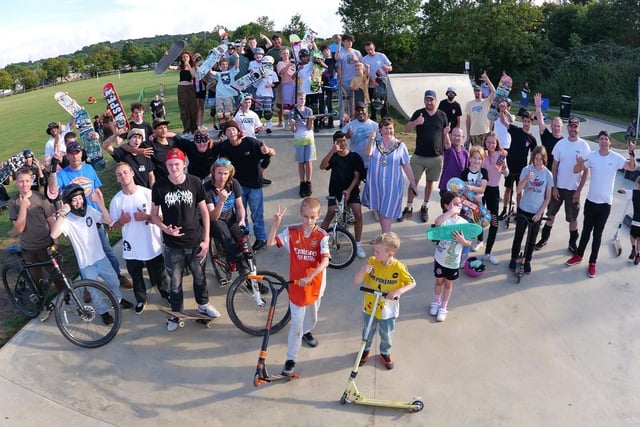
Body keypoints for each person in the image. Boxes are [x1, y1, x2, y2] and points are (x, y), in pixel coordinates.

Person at [47, 137, 133, 289]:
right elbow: (53, 190)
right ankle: (87, 286)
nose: (75, 156)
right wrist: (53, 168)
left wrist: (105, 215)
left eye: (77, 152)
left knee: (106, 250)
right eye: (71, 154)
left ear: (81, 154)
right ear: (67, 156)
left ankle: (117, 276)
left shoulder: (89, 169)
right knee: (83, 256)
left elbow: (97, 191)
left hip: (94, 216)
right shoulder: (62, 175)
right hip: (76, 221)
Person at [150, 148, 220, 331]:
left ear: (184, 164)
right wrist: (166, 229)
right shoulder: (159, 187)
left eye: (177, 164)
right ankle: (176, 313)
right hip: (173, 245)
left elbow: (204, 211)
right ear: (166, 166)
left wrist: (206, 239)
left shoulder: (195, 182)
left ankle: (203, 305)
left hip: (196, 241)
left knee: (199, 277)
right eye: (170, 165)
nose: (174, 168)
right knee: (175, 282)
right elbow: (154, 215)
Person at [50, 184, 134, 325]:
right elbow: (54, 233)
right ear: (68, 203)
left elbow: (108, 220)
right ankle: (103, 311)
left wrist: (99, 203)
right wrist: (63, 213)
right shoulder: (68, 220)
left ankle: (118, 299)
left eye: (80, 198)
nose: (78, 202)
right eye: (74, 200)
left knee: (113, 280)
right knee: (94, 290)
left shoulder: (89, 210)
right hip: (86, 263)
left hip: (100, 257)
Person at [267, 198, 330, 377]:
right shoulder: (292, 232)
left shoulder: (322, 236)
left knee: (311, 317)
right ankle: (291, 359)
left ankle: (307, 331)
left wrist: (310, 276)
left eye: (312, 217)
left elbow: (325, 260)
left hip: (315, 285)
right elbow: (270, 243)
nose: (308, 221)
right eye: (305, 217)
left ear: (318, 216)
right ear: (300, 215)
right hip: (296, 286)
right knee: (296, 324)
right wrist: (276, 224)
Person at [566, 131, 637, 278]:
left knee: (597, 235)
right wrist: (579, 164)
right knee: (586, 231)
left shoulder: (615, 158)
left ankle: (592, 263)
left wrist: (631, 152)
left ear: (609, 142)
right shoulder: (592, 156)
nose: (603, 141)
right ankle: (579, 256)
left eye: (606, 139)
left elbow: (632, 167)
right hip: (591, 201)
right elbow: (575, 170)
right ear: (598, 141)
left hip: (605, 204)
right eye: (601, 139)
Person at [109, 162, 170, 314]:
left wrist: (147, 216)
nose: (123, 176)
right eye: (119, 174)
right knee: (136, 276)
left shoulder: (148, 194)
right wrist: (122, 221)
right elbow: (112, 226)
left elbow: (161, 217)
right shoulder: (116, 200)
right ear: (117, 179)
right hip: (131, 246)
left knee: (158, 272)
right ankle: (141, 299)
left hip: (151, 242)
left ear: (132, 173)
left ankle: (166, 293)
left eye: (125, 172)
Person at [353, 232, 415, 369]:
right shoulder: (371, 262)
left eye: (378, 251)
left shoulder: (398, 268)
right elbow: (357, 281)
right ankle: (366, 349)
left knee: (386, 333)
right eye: (375, 250)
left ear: (390, 254)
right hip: (370, 306)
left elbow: (412, 283)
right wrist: (362, 271)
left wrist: (397, 292)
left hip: (387, 308)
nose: (374, 253)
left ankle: (385, 352)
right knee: (367, 330)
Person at [212, 120, 276, 252]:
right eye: (228, 130)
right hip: (237, 186)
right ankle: (244, 238)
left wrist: (268, 150)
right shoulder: (224, 146)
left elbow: (272, 152)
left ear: (238, 130)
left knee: (257, 213)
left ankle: (261, 238)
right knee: (241, 214)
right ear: (225, 134)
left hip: (254, 184)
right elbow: (210, 153)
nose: (231, 132)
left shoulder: (250, 142)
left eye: (233, 130)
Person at [9, 168, 65, 309]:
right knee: (37, 280)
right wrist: (23, 208)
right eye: (21, 181)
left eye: (27, 181)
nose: (24, 184)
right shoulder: (13, 202)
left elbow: (51, 220)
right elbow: (19, 228)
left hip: (46, 244)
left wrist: (56, 240)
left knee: (57, 275)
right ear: (16, 182)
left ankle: (67, 299)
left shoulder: (40, 197)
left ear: (32, 181)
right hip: (29, 248)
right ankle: (44, 305)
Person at [535, 116, 590, 252]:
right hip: (558, 188)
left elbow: (586, 172)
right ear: (568, 128)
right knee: (551, 214)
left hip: (573, 189)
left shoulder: (584, 146)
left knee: (573, 218)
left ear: (579, 128)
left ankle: (572, 243)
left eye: (575, 127)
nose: (573, 129)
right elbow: (554, 166)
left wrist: (579, 191)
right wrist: (553, 186)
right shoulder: (561, 144)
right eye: (571, 126)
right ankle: (544, 238)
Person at [362, 117, 418, 232]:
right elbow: (368, 153)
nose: (389, 131)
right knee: (380, 211)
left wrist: (413, 185)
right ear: (380, 130)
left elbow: (407, 166)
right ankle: (385, 236)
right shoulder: (376, 143)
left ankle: (386, 238)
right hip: (375, 185)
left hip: (392, 187)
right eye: (385, 128)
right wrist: (370, 139)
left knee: (386, 214)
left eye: (391, 128)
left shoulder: (400, 146)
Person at [403, 89, 449, 223]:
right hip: (419, 156)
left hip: (436, 157)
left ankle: (425, 206)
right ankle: (409, 206)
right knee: (413, 182)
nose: (429, 101)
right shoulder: (419, 113)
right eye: (427, 99)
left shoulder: (442, 115)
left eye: (431, 99)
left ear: (436, 100)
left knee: (430, 183)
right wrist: (415, 122)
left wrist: (446, 135)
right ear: (424, 100)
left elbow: (445, 135)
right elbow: (406, 129)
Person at [319, 131, 366, 259]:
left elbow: (357, 177)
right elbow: (322, 166)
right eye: (339, 141)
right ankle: (318, 241)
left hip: (351, 190)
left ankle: (358, 243)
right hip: (335, 191)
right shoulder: (333, 156)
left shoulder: (354, 157)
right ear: (335, 143)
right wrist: (331, 151)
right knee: (330, 213)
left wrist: (349, 190)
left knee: (358, 213)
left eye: (344, 140)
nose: (342, 143)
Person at [508, 146, 553, 274]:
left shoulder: (548, 174)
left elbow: (548, 197)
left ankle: (527, 260)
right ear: (532, 158)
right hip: (524, 208)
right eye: (535, 158)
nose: (538, 161)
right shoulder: (526, 170)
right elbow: (518, 190)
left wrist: (540, 212)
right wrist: (526, 178)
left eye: (540, 159)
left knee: (532, 238)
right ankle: (513, 257)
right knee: (519, 235)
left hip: (537, 212)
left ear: (544, 159)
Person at [430, 191, 472, 322]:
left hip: (453, 262)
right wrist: (450, 212)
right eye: (455, 204)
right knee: (438, 281)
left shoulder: (464, 222)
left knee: (448, 285)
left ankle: (443, 306)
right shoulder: (445, 219)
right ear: (446, 205)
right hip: (440, 259)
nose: (458, 207)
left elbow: (469, 242)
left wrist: (463, 241)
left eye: (459, 204)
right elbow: (437, 223)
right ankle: (436, 302)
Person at [204, 157, 249, 276]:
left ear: (230, 173)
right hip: (216, 220)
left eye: (225, 173)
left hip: (230, 218)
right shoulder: (207, 188)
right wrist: (221, 201)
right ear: (213, 172)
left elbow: (239, 206)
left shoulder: (234, 183)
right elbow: (213, 216)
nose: (222, 177)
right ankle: (239, 263)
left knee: (244, 242)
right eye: (219, 173)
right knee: (227, 238)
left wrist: (242, 220)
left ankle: (250, 273)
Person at [498, 110, 537, 219]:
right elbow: (502, 120)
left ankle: (519, 211)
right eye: (524, 121)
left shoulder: (532, 139)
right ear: (522, 121)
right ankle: (505, 209)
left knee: (519, 191)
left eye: (528, 121)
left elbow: (533, 155)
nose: (526, 123)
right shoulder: (515, 130)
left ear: (531, 123)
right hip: (510, 166)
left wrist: (529, 168)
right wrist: (502, 110)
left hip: (522, 169)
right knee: (508, 189)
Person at [481, 132, 509, 264]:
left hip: (493, 190)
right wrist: (482, 159)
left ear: (496, 143)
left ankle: (488, 252)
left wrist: (504, 167)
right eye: (488, 142)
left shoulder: (501, 155)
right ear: (485, 143)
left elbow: (506, 173)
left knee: (494, 221)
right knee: (479, 218)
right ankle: (479, 240)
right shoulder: (482, 155)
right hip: (481, 190)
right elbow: (477, 170)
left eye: (493, 142)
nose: (490, 145)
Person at [461, 146, 489, 253]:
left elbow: (482, 189)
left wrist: (472, 188)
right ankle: (467, 239)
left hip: (479, 202)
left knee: (478, 221)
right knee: (467, 220)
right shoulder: (465, 172)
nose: (476, 161)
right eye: (474, 158)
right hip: (467, 202)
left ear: (482, 160)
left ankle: (480, 240)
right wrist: (471, 196)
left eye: (479, 158)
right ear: (470, 158)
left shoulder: (484, 172)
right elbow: (463, 189)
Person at [290, 92, 316, 198]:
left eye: (303, 99)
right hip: (298, 140)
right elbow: (294, 130)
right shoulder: (293, 112)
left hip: (309, 139)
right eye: (300, 99)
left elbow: (310, 128)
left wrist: (310, 120)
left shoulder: (308, 110)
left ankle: (308, 182)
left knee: (308, 162)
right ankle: (302, 182)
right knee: (301, 163)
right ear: (296, 100)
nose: (302, 101)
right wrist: (292, 124)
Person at [334, 34, 363, 120]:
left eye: (350, 41)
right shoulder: (341, 52)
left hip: (355, 81)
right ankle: (343, 121)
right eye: (346, 41)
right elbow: (338, 65)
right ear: (343, 42)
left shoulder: (357, 52)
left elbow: (363, 66)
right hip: (344, 81)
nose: (349, 43)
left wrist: (356, 60)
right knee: (343, 102)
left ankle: (356, 119)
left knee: (355, 102)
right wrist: (340, 80)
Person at [362, 41, 392, 122]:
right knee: (372, 102)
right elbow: (363, 73)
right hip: (371, 83)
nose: (370, 51)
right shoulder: (364, 59)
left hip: (381, 82)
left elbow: (390, 68)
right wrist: (371, 80)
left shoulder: (381, 56)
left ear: (374, 47)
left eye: (371, 49)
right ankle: (373, 120)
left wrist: (387, 68)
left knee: (383, 102)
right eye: (367, 50)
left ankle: (385, 120)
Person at [465, 73, 495, 148]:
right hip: (474, 133)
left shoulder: (486, 102)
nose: (477, 92)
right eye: (475, 91)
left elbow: (494, 92)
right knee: (475, 155)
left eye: (479, 91)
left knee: (484, 154)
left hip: (485, 132)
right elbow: (468, 120)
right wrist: (468, 135)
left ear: (482, 92)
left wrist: (487, 80)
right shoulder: (469, 104)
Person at [534, 93, 563, 170]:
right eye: (554, 126)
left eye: (558, 126)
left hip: (558, 175)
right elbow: (540, 119)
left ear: (562, 127)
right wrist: (538, 106)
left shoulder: (564, 142)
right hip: (545, 173)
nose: (556, 128)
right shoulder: (546, 136)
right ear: (551, 126)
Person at [436, 127, 467, 199]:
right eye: (454, 135)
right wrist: (445, 133)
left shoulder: (465, 154)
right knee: (447, 209)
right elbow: (447, 143)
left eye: (459, 135)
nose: (456, 138)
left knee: (457, 209)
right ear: (450, 136)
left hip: (458, 189)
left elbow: (467, 171)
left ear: (463, 137)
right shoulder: (449, 150)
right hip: (446, 187)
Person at [212, 55, 240, 123]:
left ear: (228, 65)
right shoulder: (218, 74)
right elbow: (211, 72)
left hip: (228, 95)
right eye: (223, 64)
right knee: (220, 113)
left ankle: (229, 124)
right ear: (220, 66)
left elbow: (236, 66)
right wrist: (210, 63)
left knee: (228, 112)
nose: (224, 66)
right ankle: (222, 126)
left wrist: (237, 58)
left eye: (226, 64)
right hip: (219, 95)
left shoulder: (231, 72)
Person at [618, 176, 640, 264]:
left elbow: (622, 191)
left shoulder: (633, 192)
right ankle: (638, 255)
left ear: (637, 183)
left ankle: (633, 249)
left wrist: (621, 190)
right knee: (639, 239)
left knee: (632, 235)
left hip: (635, 222)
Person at [177, 52, 198, 135]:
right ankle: (186, 129)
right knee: (184, 109)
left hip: (190, 88)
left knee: (193, 108)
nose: (185, 58)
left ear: (189, 58)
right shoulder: (180, 67)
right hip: (181, 88)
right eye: (183, 57)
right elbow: (170, 67)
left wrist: (188, 65)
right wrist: (167, 57)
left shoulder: (192, 67)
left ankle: (194, 128)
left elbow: (193, 76)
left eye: (186, 56)